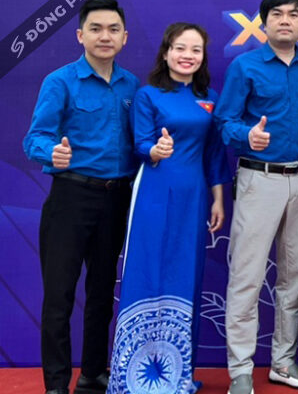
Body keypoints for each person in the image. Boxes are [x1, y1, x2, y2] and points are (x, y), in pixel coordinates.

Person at [21, 0, 139, 393]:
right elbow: (34, 138)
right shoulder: (60, 81)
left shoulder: (131, 85)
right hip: (71, 197)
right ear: (80, 35)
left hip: (116, 199)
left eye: (113, 29)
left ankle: (92, 374)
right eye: (96, 29)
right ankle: (56, 384)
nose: (105, 36)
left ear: (124, 37)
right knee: (59, 295)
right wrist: (50, 152)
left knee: (102, 293)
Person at [105, 22, 230, 394]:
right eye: (180, 48)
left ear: (203, 57)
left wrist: (218, 198)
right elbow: (141, 143)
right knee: (148, 271)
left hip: (195, 198)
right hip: (155, 192)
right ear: (166, 52)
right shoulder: (148, 95)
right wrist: (155, 151)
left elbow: (214, 154)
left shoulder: (210, 97)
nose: (187, 56)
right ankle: (136, 376)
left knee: (185, 274)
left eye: (195, 50)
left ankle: (177, 375)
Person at [213, 0, 298, 392]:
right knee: (247, 276)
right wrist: (247, 136)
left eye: (294, 14)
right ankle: (241, 371)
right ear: (264, 22)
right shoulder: (245, 66)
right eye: (277, 14)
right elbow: (224, 121)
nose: (285, 20)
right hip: (259, 179)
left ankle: (284, 362)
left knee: (294, 276)